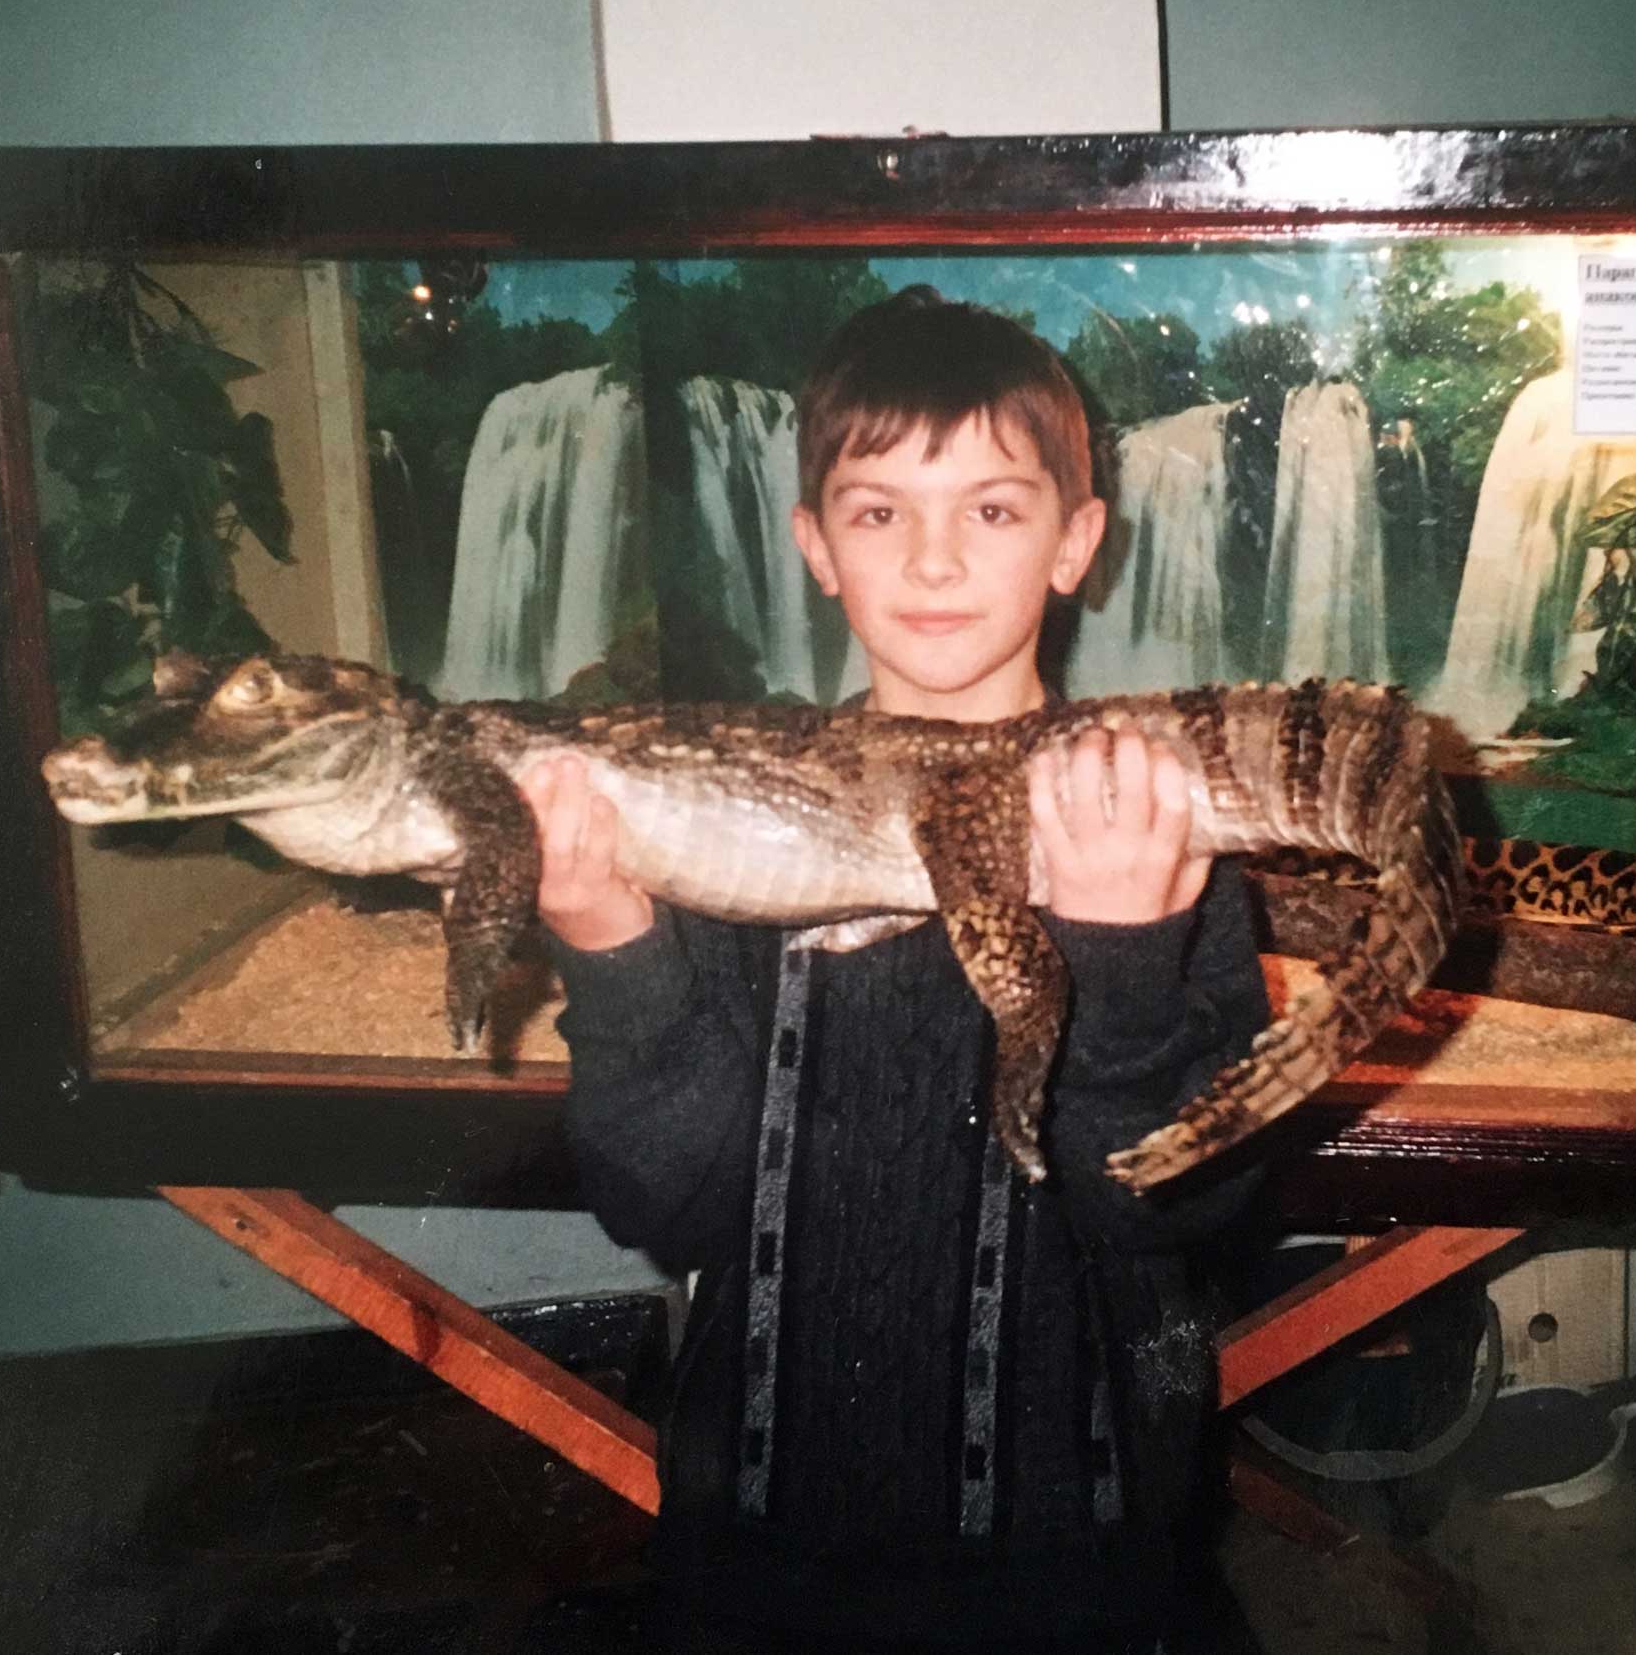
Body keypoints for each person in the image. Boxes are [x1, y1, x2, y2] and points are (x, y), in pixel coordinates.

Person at [517, 287, 1272, 1653]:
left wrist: (1120, 956)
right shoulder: (717, 831)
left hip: (1079, 1561)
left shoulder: (1171, 844)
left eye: (990, 509)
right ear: (814, 546)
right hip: (759, 1552)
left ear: (1075, 545)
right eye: (878, 512)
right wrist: (615, 951)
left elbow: (1183, 1216)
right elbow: (668, 1212)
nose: (932, 561)